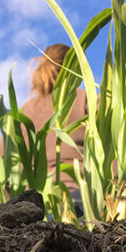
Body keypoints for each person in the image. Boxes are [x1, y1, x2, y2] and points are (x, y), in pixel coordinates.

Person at [17, 44, 89, 212]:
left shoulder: (25, 111)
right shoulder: (84, 99)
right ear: (72, 68)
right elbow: (111, 147)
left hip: (33, 203)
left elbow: (3, 160)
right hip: (76, 194)